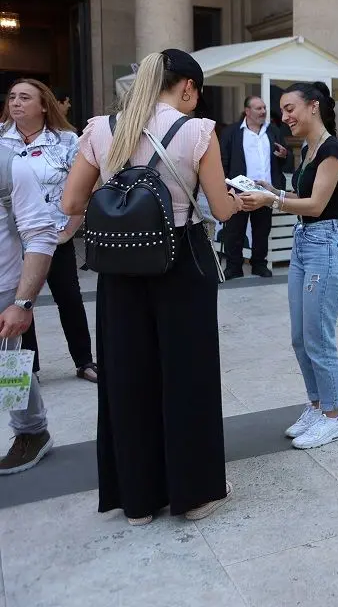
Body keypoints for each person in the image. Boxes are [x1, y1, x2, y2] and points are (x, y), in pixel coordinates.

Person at [62, 49, 244, 523]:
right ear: (187, 87)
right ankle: (193, 493)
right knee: (187, 377)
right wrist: (246, 200)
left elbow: (71, 201)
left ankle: (137, 499)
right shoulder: (197, 131)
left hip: (120, 270)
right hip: (182, 262)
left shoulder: (102, 128)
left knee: (126, 377)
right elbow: (221, 210)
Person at [238, 82, 338, 450]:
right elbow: (302, 197)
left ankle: (333, 418)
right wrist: (270, 190)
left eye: (290, 109)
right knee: (300, 338)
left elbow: (318, 205)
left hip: (326, 245)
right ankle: (318, 406)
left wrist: (270, 202)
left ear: (313, 107)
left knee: (319, 338)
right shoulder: (308, 148)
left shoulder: (332, 148)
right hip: (307, 244)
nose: (284, 117)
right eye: (282, 110)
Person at [0, 80, 95, 383]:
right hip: (12, 240)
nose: (16, 103)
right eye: (12, 97)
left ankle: (84, 361)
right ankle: (29, 369)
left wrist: (69, 231)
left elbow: (84, 189)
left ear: (43, 105)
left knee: (68, 298)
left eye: (24, 97)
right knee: (19, 301)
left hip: (53, 236)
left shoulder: (67, 141)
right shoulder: (1, 141)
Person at [0, 146, 60, 474]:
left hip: (3, 288)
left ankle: (30, 432)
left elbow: (40, 233)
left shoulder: (10, 165)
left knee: (8, 367)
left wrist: (22, 303)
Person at [219, 96, 292, 278]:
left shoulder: (273, 131)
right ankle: (233, 267)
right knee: (234, 230)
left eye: (264, 108)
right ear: (247, 111)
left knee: (262, 230)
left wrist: (284, 156)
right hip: (238, 190)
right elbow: (222, 160)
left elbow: (286, 159)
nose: (263, 112)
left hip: (265, 191)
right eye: (258, 108)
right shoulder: (232, 132)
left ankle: (259, 264)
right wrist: (224, 186)